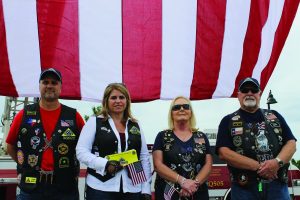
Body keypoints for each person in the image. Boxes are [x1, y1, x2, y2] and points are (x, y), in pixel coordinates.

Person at [6, 68, 85, 200]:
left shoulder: (73, 116)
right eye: (45, 82)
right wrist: (25, 166)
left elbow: (86, 148)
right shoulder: (23, 114)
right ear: (39, 86)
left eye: (54, 82)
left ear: (60, 87)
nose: (49, 86)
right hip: (31, 188)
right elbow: (10, 146)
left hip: (65, 188)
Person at [216, 77, 297, 200]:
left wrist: (276, 162)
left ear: (259, 94)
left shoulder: (275, 116)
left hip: (277, 185)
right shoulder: (227, 121)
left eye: (253, 90)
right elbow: (223, 152)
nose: (249, 93)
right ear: (238, 95)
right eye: (245, 90)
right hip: (243, 187)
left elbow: (291, 144)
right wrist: (260, 167)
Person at [76, 83, 152, 200]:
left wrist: (146, 188)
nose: (118, 101)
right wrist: (105, 164)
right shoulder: (94, 122)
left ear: (127, 100)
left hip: (133, 189)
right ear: (106, 101)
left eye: (122, 97)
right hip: (100, 188)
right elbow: (81, 151)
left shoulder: (135, 124)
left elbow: (144, 157)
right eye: (113, 98)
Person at [153, 96, 212, 200]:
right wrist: (182, 181)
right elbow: (157, 165)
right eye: (176, 107)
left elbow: (208, 164)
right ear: (171, 113)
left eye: (185, 106)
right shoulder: (162, 136)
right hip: (169, 194)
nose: (181, 109)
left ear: (191, 112)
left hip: (197, 193)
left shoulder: (201, 136)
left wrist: (193, 185)